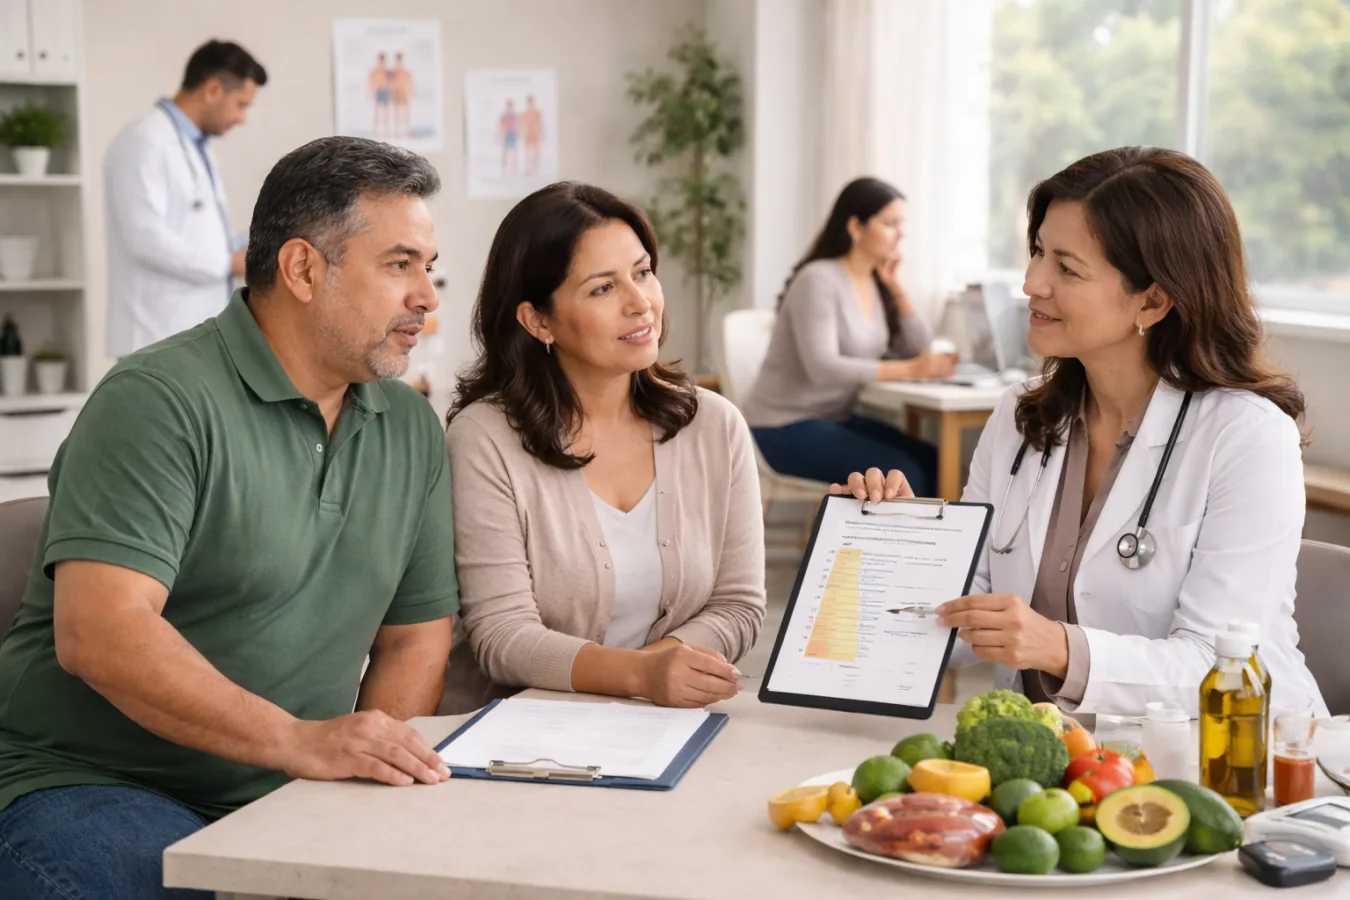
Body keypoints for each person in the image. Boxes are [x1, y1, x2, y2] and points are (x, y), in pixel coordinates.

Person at [0, 137, 459, 899]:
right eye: (400, 265)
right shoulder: (158, 400)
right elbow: (100, 633)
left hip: (281, 793)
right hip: (81, 783)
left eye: (428, 268)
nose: (427, 296)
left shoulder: (411, 432)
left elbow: (414, 639)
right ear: (304, 269)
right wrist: (296, 741)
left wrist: (366, 784)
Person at [838, 147, 1326, 718]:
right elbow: (962, 603)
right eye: (1039, 252)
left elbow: (1221, 666)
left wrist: (1060, 648)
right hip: (1058, 766)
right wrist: (885, 548)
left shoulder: (1246, 438)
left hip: (1233, 766)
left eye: (1066, 268)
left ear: (1154, 299)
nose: (1031, 283)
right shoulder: (1021, 417)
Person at [440, 181, 766, 715]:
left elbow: (739, 605)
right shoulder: (484, 439)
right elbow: (501, 635)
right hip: (520, 733)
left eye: (643, 273)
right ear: (537, 320)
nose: (641, 304)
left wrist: (664, 672)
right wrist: (641, 675)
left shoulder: (714, 425)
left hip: (666, 725)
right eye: (602, 289)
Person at [740, 177, 956, 496]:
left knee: (934, 459)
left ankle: (932, 547)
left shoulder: (873, 281)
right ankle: (898, 547)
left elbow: (917, 346)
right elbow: (823, 368)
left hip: (833, 419)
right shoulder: (818, 280)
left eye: (902, 223)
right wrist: (912, 370)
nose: (901, 233)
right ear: (856, 227)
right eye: (890, 223)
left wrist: (896, 288)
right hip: (781, 427)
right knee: (905, 473)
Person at [104, 40, 267, 358]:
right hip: (154, 337)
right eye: (241, 104)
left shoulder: (195, 146)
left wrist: (257, 245)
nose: (242, 118)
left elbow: (199, 232)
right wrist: (227, 262)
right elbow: (143, 237)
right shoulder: (145, 141)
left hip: (187, 334)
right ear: (212, 90)